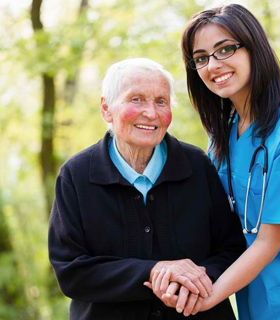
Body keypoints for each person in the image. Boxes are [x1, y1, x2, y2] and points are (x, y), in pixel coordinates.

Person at [149, 4, 280, 320]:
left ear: (254, 49)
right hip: (259, 304)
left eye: (225, 49)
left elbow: (268, 242)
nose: (214, 64)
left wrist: (204, 299)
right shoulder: (226, 134)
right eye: (201, 58)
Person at [48, 58, 246, 320]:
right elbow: (71, 272)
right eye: (136, 99)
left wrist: (194, 280)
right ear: (106, 109)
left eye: (161, 101)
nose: (151, 113)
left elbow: (232, 248)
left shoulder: (197, 165)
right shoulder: (76, 175)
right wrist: (154, 272)